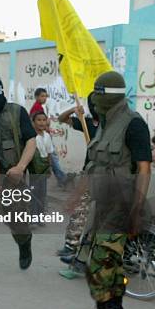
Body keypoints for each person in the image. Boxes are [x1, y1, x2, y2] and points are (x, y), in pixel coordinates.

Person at [81, 71, 151, 309]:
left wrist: (137, 208)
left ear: (109, 96)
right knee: (110, 261)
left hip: (122, 203)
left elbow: (144, 168)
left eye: (99, 94)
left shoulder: (133, 124)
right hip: (103, 201)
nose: (95, 100)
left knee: (101, 261)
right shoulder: (106, 122)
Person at [0, 77, 36, 270]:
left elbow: (31, 141)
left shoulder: (16, 112)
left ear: (1, 95)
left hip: (13, 177)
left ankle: (24, 243)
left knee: (17, 220)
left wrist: (20, 167)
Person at [56, 102, 100, 261]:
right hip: (89, 171)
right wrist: (74, 111)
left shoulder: (110, 125)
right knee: (79, 210)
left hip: (105, 174)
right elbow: (61, 119)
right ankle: (70, 246)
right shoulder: (86, 123)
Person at [29, 112, 52, 224]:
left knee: (42, 193)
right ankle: (32, 217)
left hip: (43, 169)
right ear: (33, 122)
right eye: (39, 120)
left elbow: (49, 153)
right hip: (33, 169)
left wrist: (49, 168)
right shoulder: (31, 136)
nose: (42, 122)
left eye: (44, 120)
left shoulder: (47, 136)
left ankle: (40, 217)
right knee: (33, 193)